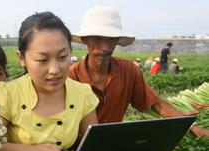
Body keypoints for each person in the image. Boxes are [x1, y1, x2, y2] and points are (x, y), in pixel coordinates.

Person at [0, 11, 98, 151]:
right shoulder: (8, 94)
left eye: (63, 57)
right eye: (42, 60)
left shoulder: (82, 93)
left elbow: (93, 146)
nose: (54, 70)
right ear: (21, 58)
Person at [69, 6, 208, 137]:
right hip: (75, 150)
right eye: (98, 38)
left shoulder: (128, 70)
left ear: (117, 40)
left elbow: (156, 103)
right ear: (84, 39)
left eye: (111, 39)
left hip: (112, 144)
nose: (105, 47)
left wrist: (189, 124)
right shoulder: (70, 77)